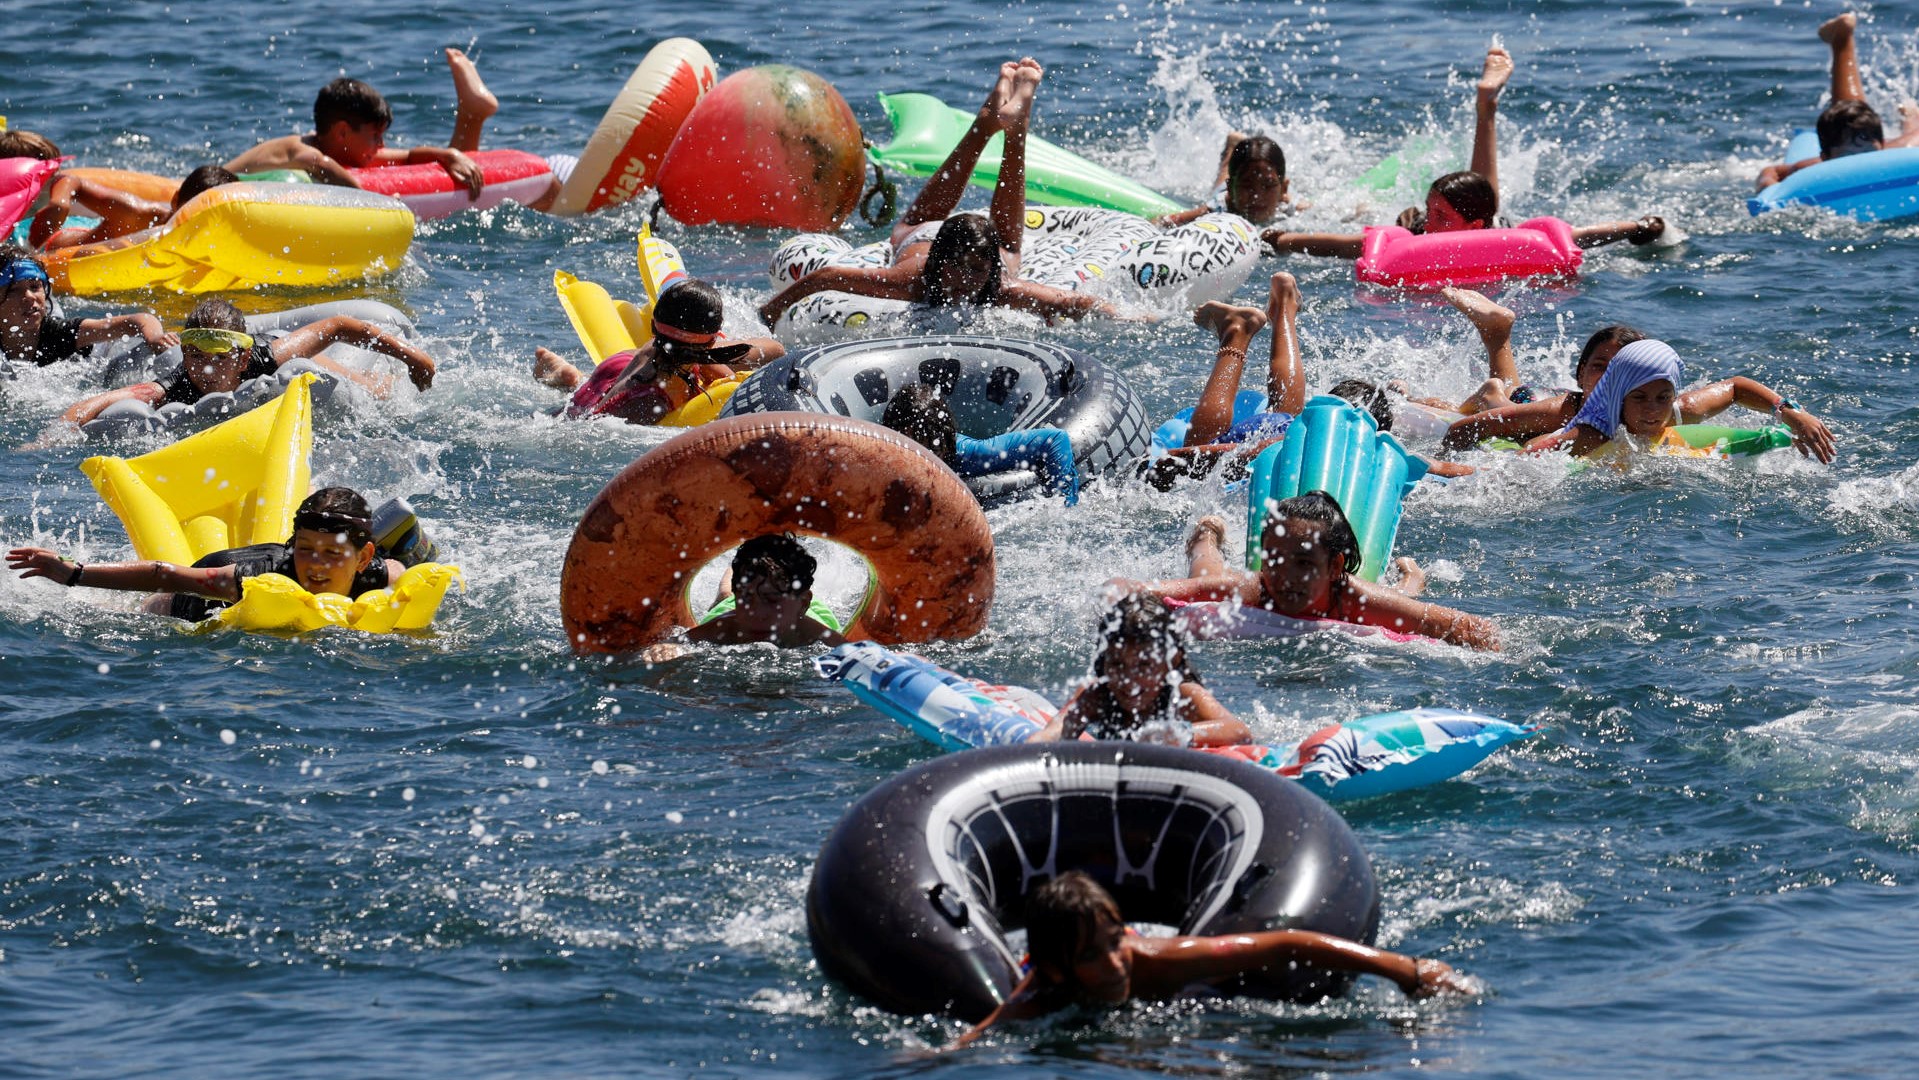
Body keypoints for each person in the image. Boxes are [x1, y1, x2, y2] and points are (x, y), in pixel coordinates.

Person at [758, 59, 1130, 327]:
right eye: (955, 267)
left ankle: (990, 121)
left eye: (976, 271)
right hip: (930, 237)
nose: (963, 280)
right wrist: (1137, 317)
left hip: (922, 235)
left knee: (910, 228)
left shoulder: (922, 280)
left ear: (988, 270)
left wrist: (770, 312)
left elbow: (828, 277)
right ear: (939, 261)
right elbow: (1072, 302)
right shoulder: (993, 286)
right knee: (1011, 248)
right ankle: (1015, 124)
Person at [949, 870, 1474, 1048]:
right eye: (1092, 956)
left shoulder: (1151, 959)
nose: (1114, 964)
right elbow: (974, 1041)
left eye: (1114, 943)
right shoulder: (1040, 992)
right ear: (1058, 968)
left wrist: (1407, 970)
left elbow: (1288, 943)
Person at [1261, 45, 1666, 257]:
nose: (1430, 222)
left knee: (1486, 193)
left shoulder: (1502, 233)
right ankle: (1485, 107)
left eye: (1440, 216)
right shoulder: (1420, 231)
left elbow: (1576, 237)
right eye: (1430, 210)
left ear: (1472, 227)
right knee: (1472, 193)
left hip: (1485, 217)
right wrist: (1283, 240)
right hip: (1470, 213)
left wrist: (1636, 228)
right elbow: (1347, 245)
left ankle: (1487, 106)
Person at [1116, 492, 1501, 651]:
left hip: (1352, 596)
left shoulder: (1354, 599)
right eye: (1274, 560)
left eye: (1302, 563)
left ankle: (1412, 578)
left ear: (1334, 566)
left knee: (1401, 603)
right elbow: (1130, 590)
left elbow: (1473, 629)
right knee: (1204, 574)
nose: (1284, 576)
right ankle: (1206, 534)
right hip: (1234, 586)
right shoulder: (1256, 588)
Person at [8, 487, 402, 621]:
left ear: (364, 558)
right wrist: (74, 572)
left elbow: (405, 572)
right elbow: (165, 575)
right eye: (306, 549)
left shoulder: (380, 575)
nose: (316, 564)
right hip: (204, 585)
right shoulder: (257, 580)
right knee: (149, 611)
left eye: (332, 554)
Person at [55, 297, 438, 430]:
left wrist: (413, 357)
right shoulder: (177, 383)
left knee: (372, 390)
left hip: (288, 349)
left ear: (240, 358)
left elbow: (339, 326)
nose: (205, 368)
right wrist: (59, 430)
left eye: (217, 358)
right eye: (195, 356)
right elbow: (105, 399)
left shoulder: (267, 357)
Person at [225, 50, 534, 204]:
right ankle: (471, 114)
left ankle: (471, 114)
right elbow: (326, 169)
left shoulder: (345, 146)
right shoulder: (298, 149)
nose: (380, 146)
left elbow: (409, 156)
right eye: (375, 136)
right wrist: (383, 207)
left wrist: (447, 154)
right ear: (343, 132)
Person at [1522, 339, 1837, 463]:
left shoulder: (1679, 412)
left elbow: (1735, 387)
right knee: (1517, 402)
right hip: (1554, 416)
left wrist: (1789, 412)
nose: (1652, 409)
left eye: (1663, 397)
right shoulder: (1595, 433)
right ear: (1619, 397)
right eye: (1639, 398)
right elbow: (1526, 458)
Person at [532, 279, 784, 425]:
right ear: (714, 339)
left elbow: (772, 353)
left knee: (587, 391)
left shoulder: (657, 344)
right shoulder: (649, 402)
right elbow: (586, 425)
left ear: (654, 325)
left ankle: (573, 379)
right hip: (622, 399)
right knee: (582, 408)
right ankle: (574, 381)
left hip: (620, 364)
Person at [1027, 593, 1251, 747]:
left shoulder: (1183, 697)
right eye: (1117, 664)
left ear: (1171, 661)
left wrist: (1179, 734)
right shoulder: (1097, 696)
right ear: (1103, 663)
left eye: (1144, 666)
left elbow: (1239, 732)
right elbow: (1052, 734)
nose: (1129, 679)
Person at [1755, 13, 1919, 191]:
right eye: (1847, 157)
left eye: (1869, 154)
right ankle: (1842, 38)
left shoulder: (1895, 152)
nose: (1862, 164)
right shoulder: (1812, 167)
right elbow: (1773, 171)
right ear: (1826, 158)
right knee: (1848, 116)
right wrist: (1767, 185)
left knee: (1860, 118)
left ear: (1881, 146)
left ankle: (1910, 115)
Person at [1441, 322, 1645, 450]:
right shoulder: (1561, 412)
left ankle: (1498, 331)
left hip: (1550, 398)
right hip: (1532, 400)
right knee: (1498, 405)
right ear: (1582, 373)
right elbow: (1462, 428)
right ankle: (1491, 392)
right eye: (1600, 366)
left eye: (1620, 368)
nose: (1609, 376)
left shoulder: (1653, 403)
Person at [880, 383, 1080, 506]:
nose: (918, 456)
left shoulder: (970, 454)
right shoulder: (882, 456)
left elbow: (1054, 439)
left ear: (944, 442)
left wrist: (1063, 503)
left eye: (927, 447)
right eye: (907, 446)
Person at [0, 247, 174, 367]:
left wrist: (155, 337)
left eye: (35, 287)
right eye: (14, 290)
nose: (30, 297)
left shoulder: (60, 333)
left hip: (101, 356)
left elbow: (140, 319)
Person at [684, 533, 846, 648]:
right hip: (731, 606)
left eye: (772, 600)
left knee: (778, 583)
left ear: (803, 603)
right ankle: (742, 571)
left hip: (803, 609)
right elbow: (673, 644)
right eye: (746, 599)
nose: (756, 613)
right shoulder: (725, 628)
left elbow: (855, 656)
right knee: (726, 595)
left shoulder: (815, 635)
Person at [29, 165, 239, 251]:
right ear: (175, 201)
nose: (201, 224)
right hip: (58, 246)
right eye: (194, 213)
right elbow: (71, 181)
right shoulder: (139, 215)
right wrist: (60, 204)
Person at [1154, 133, 1298, 228]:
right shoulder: (1214, 210)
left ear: (1284, 188)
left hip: (1239, 184)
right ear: (1231, 188)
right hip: (1225, 194)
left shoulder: (1285, 204)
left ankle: (1233, 145)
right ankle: (1231, 147)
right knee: (1223, 175)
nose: (1257, 195)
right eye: (1247, 186)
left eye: (1267, 185)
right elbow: (1165, 221)